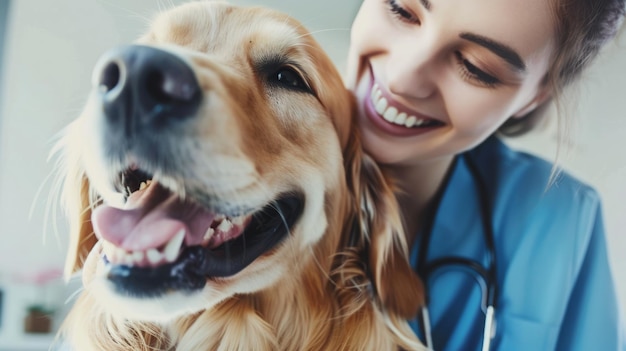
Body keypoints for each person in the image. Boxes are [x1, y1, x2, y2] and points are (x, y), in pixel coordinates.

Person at [345, 0, 626, 350]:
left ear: (535, 97)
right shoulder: (259, 175)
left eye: (474, 67)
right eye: (401, 10)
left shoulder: (562, 224)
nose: (402, 78)